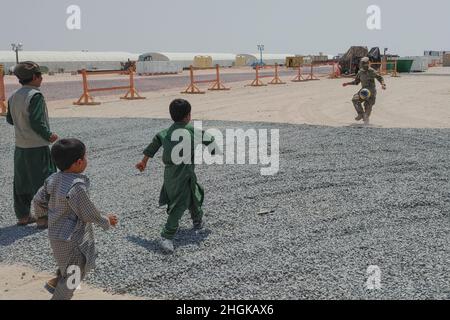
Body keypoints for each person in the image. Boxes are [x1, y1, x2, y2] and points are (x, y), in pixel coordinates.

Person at [33, 138, 118, 300]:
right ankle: (60, 294)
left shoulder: (53, 179)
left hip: (56, 236)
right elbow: (88, 213)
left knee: (69, 267)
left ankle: (57, 281)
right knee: (74, 276)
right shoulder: (77, 186)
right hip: (73, 240)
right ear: (78, 162)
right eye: (86, 157)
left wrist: (44, 217)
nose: (87, 160)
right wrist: (106, 220)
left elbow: (38, 200)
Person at [135, 99, 215, 253]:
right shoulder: (193, 131)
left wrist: (143, 161)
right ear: (188, 115)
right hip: (184, 175)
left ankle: (197, 220)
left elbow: (154, 144)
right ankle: (167, 236)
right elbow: (210, 140)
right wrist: (213, 151)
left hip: (171, 175)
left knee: (194, 194)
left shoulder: (165, 133)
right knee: (180, 204)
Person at [6, 61, 58, 228]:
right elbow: (36, 121)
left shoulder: (14, 95)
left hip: (20, 147)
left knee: (21, 181)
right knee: (43, 180)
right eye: (40, 75)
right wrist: (49, 135)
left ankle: (23, 216)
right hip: (37, 147)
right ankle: (43, 218)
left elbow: (9, 119)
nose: (42, 78)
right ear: (35, 77)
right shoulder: (35, 95)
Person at [342, 57, 387, 124]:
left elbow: (379, 78)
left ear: (368, 63)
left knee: (367, 107)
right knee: (355, 99)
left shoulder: (372, 71)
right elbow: (356, 82)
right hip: (363, 91)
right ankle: (360, 114)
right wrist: (347, 83)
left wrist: (383, 84)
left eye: (364, 64)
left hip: (371, 92)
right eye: (362, 64)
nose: (363, 65)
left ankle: (366, 122)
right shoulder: (360, 72)